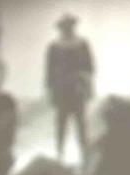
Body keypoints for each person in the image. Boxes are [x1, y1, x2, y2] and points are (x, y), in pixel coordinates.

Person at [45, 13, 94, 162]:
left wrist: (84, 83)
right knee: (61, 124)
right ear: (60, 28)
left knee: (81, 125)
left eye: (69, 26)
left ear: (73, 26)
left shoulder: (82, 44)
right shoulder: (54, 47)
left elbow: (90, 67)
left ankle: (85, 156)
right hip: (61, 91)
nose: (67, 29)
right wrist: (51, 91)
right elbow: (49, 72)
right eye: (64, 27)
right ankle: (60, 155)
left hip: (77, 90)